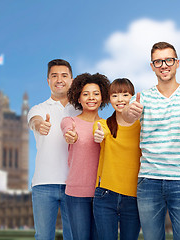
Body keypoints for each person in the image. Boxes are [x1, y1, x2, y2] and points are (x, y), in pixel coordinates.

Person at [123, 41, 180, 240]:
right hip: (149, 181)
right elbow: (127, 115)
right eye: (158, 61)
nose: (164, 65)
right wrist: (130, 111)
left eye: (168, 60)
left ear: (177, 63)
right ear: (152, 66)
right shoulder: (142, 98)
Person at [27, 59, 79, 240]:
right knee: (43, 236)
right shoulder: (38, 108)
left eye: (64, 75)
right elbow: (34, 121)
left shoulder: (80, 110)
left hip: (74, 184)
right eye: (54, 75)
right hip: (43, 184)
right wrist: (40, 125)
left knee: (73, 236)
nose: (59, 79)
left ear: (72, 80)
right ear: (47, 80)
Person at [60, 73, 110, 239]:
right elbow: (67, 131)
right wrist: (70, 136)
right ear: (78, 98)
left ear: (102, 97)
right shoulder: (70, 122)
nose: (91, 98)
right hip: (76, 194)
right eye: (86, 94)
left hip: (103, 194)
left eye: (96, 93)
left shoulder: (109, 125)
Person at [92, 78, 142, 240]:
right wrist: (99, 136)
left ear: (133, 97)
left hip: (134, 197)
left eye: (125, 94)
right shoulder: (103, 125)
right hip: (105, 195)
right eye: (115, 96)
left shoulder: (142, 127)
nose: (120, 100)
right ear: (109, 99)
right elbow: (99, 134)